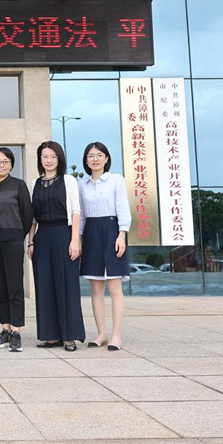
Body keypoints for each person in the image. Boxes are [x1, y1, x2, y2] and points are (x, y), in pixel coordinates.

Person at [27, 140, 85, 352]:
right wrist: (31, 241)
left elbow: (76, 211)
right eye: (45, 157)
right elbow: (32, 218)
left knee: (67, 286)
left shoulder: (68, 180)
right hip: (42, 237)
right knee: (44, 287)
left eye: (53, 156)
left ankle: (69, 336)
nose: (49, 160)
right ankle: (50, 336)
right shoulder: (34, 183)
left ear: (59, 159)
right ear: (40, 159)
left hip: (64, 235)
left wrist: (75, 240)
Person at [79, 142, 131, 352]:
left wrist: (122, 235)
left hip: (112, 230)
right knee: (96, 288)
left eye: (99, 155)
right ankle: (101, 334)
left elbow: (123, 208)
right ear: (86, 160)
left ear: (107, 158)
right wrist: (79, 238)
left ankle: (116, 336)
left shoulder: (116, 180)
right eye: (91, 155)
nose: (95, 159)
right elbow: (81, 215)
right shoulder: (82, 184)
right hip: (91, 232)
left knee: (114, 287)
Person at [0, 147, 33, 352]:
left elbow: (27, 215)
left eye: (5, 161)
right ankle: (5, 329)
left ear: (11, 164)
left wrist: (18, 235)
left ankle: (16, 332)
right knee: (0, 287)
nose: (1, 165)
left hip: (12, 241)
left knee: (14, 286)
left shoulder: (19, 185)